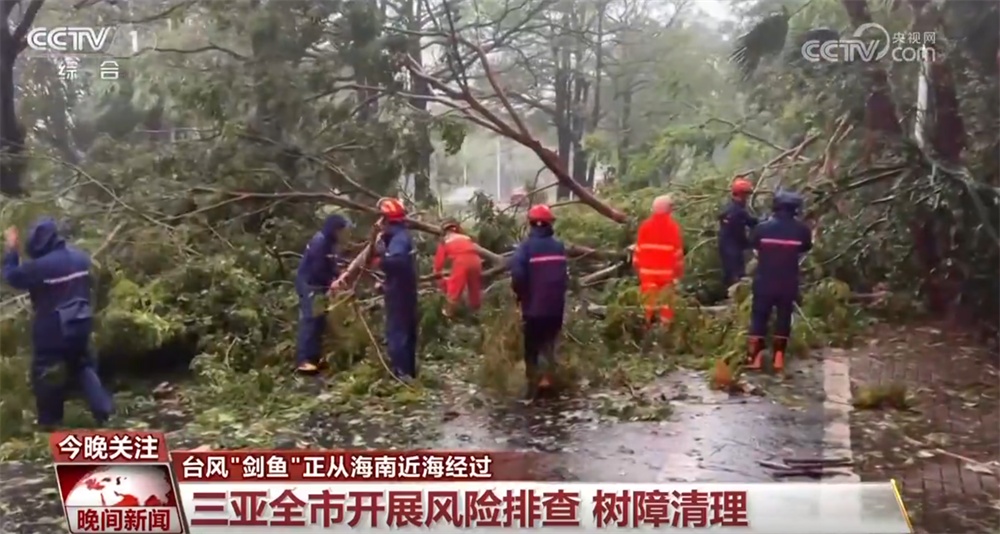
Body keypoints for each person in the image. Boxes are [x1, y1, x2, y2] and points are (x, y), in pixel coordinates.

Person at [2, 218, 114, 428]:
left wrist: (11, 250)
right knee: (83, 365)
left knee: (46, 372)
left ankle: (50, 423)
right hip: (81, 321)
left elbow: (11, 276)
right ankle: (104, 411)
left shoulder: (41, 267)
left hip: (52, 327)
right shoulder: (80, 258)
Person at [746, 191, 812, 372]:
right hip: (788, 281)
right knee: (784, 318)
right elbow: (806, 247)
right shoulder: (802, 230)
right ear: (795, 209)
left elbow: (754, 245)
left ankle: (755, 359)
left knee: (759, 317)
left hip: (764, 280)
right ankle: (778, 359)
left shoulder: (762, 228)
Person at [509, 204, 568, 399]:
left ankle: (535, 381)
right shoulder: (558, 246)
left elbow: (518, 275)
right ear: (549, 223)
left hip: (533, 307)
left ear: (531, 224)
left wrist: (520, 295)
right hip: (555, 307)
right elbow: (564, 277)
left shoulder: (524, 248)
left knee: (533, 345)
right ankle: (548, 378)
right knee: (549, 342)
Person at [294, 213, 352, 374]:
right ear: (335, 229)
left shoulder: (330, 243)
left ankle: (314, 357)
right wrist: (330, 282)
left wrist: (337, 274)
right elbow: (318, 269)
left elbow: (330, 263)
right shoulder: (320, 243)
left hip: (317, 283)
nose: (343, 234)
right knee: (310, 319)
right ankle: (304, 360)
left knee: (320, 319)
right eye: (342, 230)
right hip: (309, 284)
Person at [373, 197, 419, 381]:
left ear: (386, 219)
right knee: (407, 331)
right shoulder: (399, 235)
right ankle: (408, 372)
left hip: (400, 293)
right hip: (405, 289)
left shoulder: (398, 239)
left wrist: (381, 262)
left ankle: (401, 373)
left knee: (398, 331)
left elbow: (397, 262)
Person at [633, 195, 685, 324]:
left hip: (647, 276)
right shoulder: (673, 228)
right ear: (669, 209)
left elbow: (637, 255)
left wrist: (640, 271)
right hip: (667, 278)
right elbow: (678, 256)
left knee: (648, 306)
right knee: (666, 308)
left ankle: (648, 333)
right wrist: (678, 276)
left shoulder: (644, 227)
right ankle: (664, 333)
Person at [433, 219, 483, 317]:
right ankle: (476, 312)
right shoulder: (466, 237)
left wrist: (438, 278)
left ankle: (448, 314)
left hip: (461, 261)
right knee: (474, 288)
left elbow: (438, 263)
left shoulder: (445, 241)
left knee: (454, 288)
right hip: (476, 261)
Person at [718, 177, 759, 289]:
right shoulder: (736, 211)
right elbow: (740, 231)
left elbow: (751, 221)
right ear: (741, 195)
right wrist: (750, 243)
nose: (747, 198)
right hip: (732, 247)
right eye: (746, 195)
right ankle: (734, 300)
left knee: (731, 272)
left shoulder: (730, 208)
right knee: (736, 274)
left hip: (728, 245)